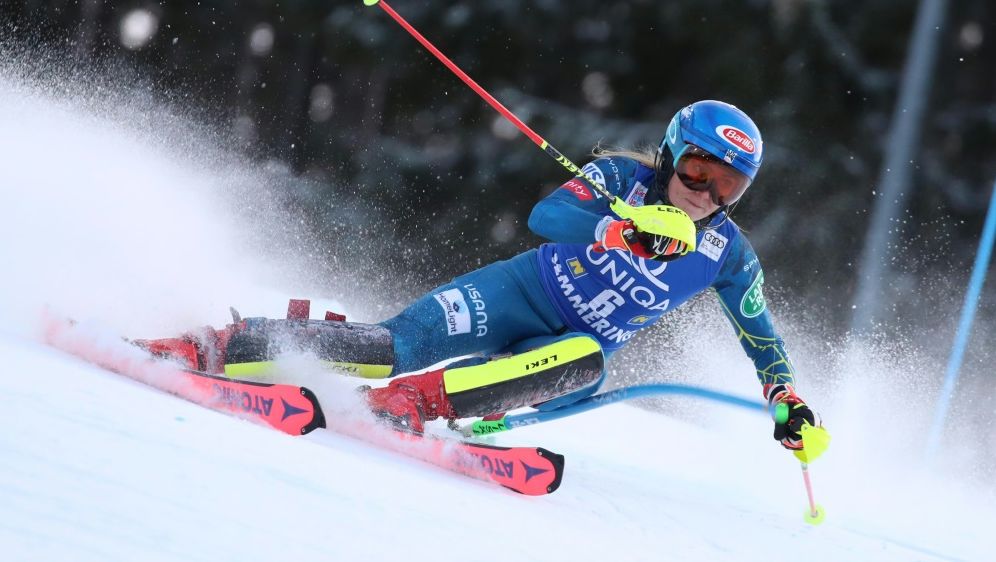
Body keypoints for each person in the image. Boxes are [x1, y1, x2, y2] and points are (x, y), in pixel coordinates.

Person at [140, 100, 820, 451]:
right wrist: (618, 228)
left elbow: (761, 336)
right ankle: (216, 346)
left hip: (555, 361)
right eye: (699, 169)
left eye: (728, 183)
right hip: (516, 295)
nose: (706, 192)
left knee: (587, 359)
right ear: (673, 154)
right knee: (391, 346)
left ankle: (412, 406)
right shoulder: (623, 180)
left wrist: (785, 397)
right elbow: (547, 216)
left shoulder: (726, 254)